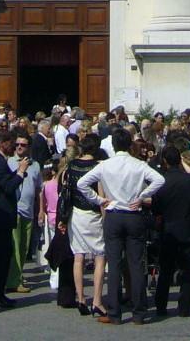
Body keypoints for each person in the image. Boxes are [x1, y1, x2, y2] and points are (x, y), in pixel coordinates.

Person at [77, 128, 165, 325]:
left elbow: (82, 184)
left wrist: (99, 200)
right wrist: (142, 196)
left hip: (114, 214)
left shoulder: (105, 165)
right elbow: (160, 180)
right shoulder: (138, 164)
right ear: (129, 145)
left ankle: (114, 312)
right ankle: (139, 312)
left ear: (114, 145)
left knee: (114, 265)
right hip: (134, 215)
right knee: (136, 264)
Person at [152, 146, 190, 317]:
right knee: (186, 270)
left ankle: (161, 306)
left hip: (168, 230)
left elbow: (156, 207)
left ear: (165, 162)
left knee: (165, 270)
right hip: (187, 228)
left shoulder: (161, 181)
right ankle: (184, 307)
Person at [63, 134, 106, 317]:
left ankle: (80, 297)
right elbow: (101, 193)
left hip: (76, 214)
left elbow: (66, 188)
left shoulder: (71, 165)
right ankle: (97, 300)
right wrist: (105, 217)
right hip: (94, 214)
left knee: (78, 256)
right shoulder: (98, 167)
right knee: (99, 256)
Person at [0, 129, 28, 309]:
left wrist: (18, 173)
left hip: (2, 215)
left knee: (4, 255)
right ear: (3, 143)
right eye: (12, 142)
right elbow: (7, 187)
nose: (15, 146)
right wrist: (19, 173)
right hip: (0, 215)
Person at [6, 133, 42, 293]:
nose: (19, 147)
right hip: (14, 210)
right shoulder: (9, 162)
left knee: (24, 247)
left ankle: (17, 275)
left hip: (29, 209)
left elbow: (39, 189)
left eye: (23, 145)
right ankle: (14, 280)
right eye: (17, 144)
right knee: (15, 245)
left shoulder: (35, 165)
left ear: (29, 147)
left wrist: (41, 210)